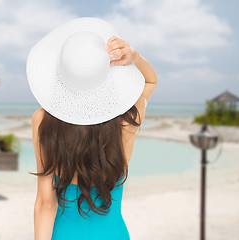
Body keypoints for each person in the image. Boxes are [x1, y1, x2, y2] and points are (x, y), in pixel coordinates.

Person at [26, 18, 157, 239]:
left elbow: (45, 203)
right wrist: (134, 56)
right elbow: (150, 82)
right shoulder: (128, 118)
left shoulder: (42, 121)